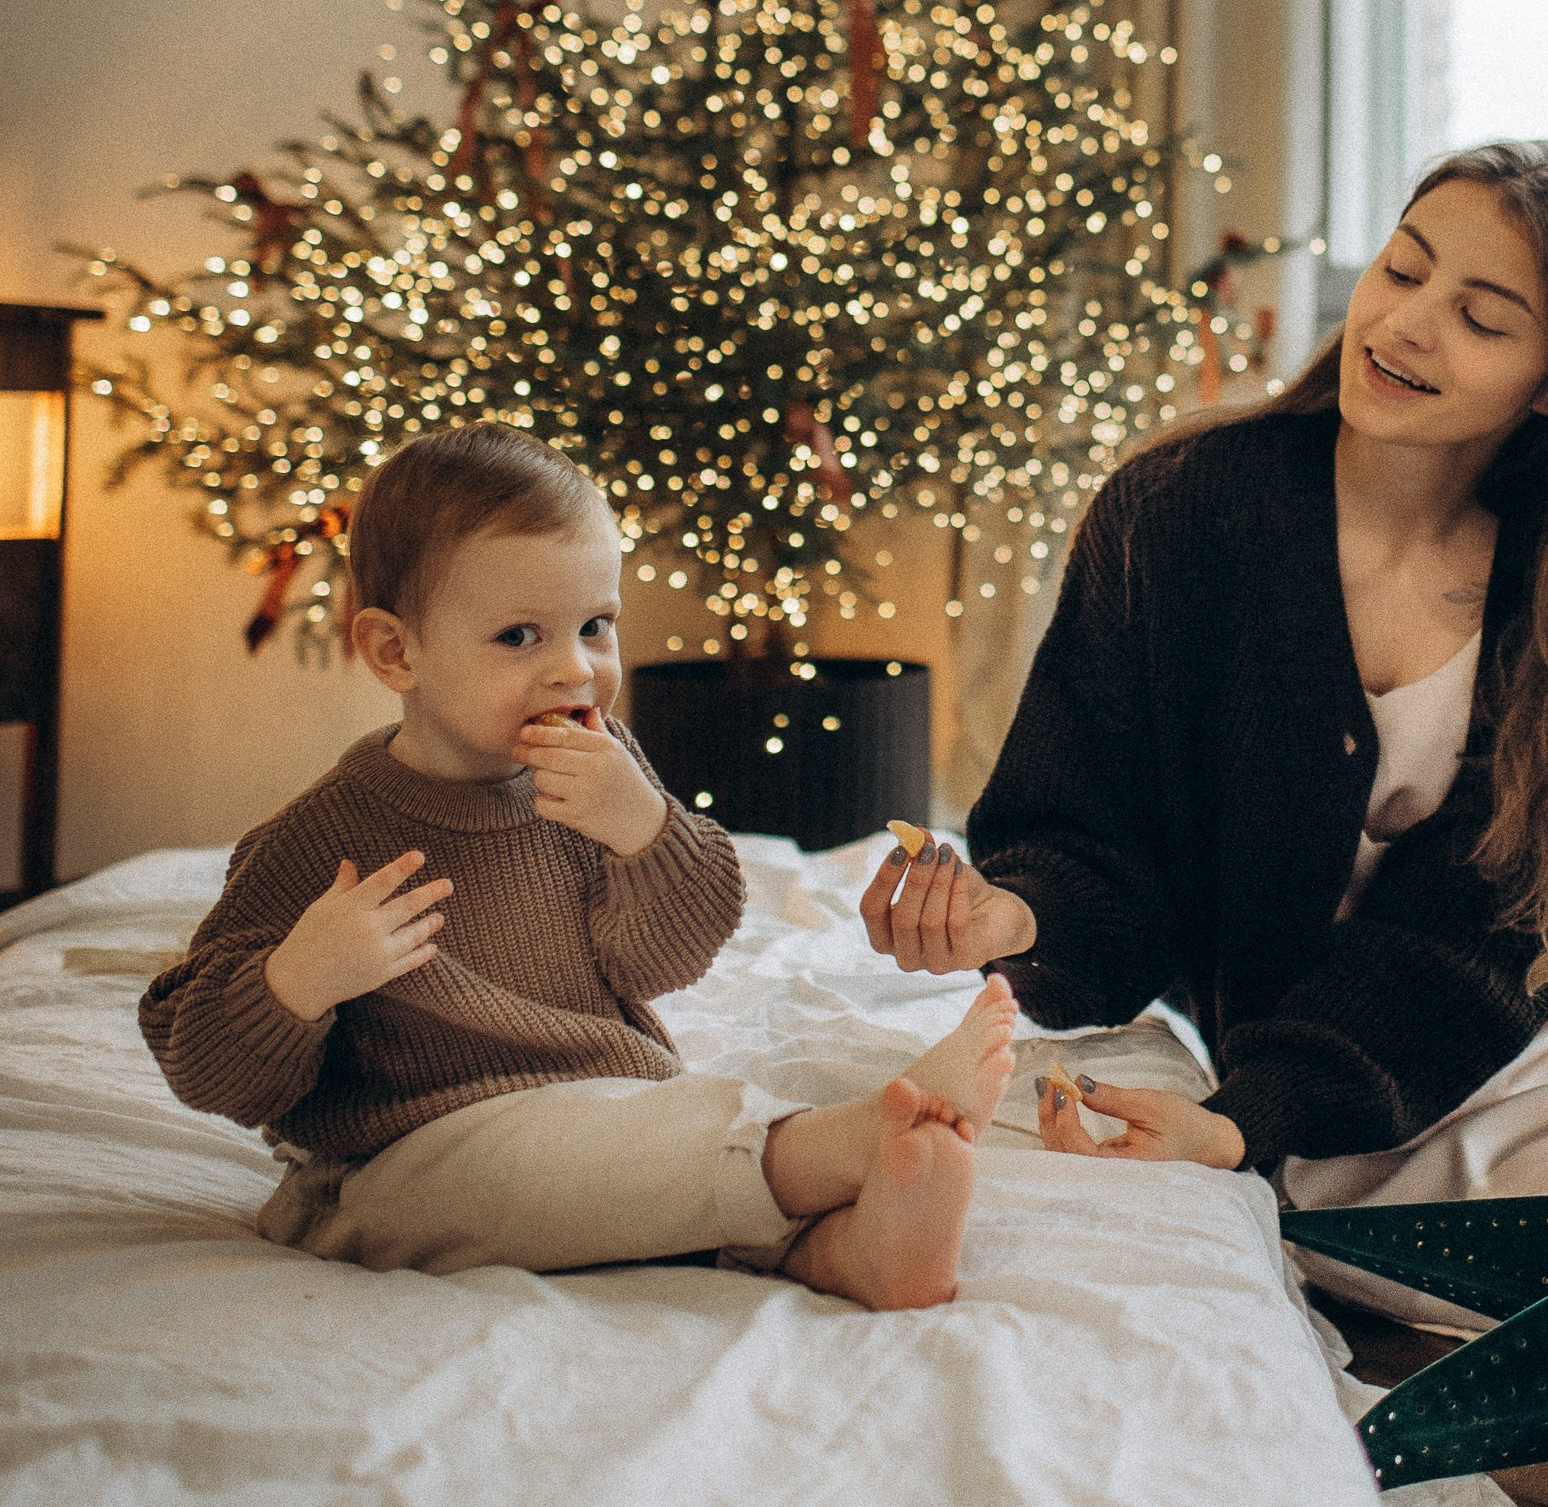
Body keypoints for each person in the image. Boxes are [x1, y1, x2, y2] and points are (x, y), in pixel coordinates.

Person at [858, 140, 1548, 1276]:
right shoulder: (1176, 513)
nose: (1408, 323)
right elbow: (1093, 838)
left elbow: (1489, 935)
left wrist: (1248, 1117)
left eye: (1481, 317)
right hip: (1350, 1102)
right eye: (1402, 268)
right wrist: (1011, 916)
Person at [142, 424, 1014, 1310]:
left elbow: (666, 963)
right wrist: (297, 979)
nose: (575, 667)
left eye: (595, 626)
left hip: (606, 1109)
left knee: (652, 1142)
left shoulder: (602, 772)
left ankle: (844, 1257)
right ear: (396, 652)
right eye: (519, 635)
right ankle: (842, 1144)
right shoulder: (321, 842)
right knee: (539, 1172)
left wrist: (643, 829)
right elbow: (205, 1068)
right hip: (395, 1169)